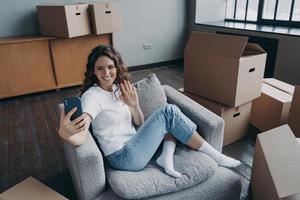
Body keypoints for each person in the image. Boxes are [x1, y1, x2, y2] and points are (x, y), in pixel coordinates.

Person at [58, 45, 241, 178]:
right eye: (100, 68)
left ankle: (165, 158)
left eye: (110, 67)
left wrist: (134, 104)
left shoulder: (118, 89)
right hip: (122, 157)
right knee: (169, 112)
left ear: (116, 67)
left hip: (135, 145)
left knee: (172, 119)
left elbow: (138, 122)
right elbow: (82, 135)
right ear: (93, 71)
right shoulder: (92, 96)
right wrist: (66, 135)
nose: (106, 73)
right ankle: (216, 156)